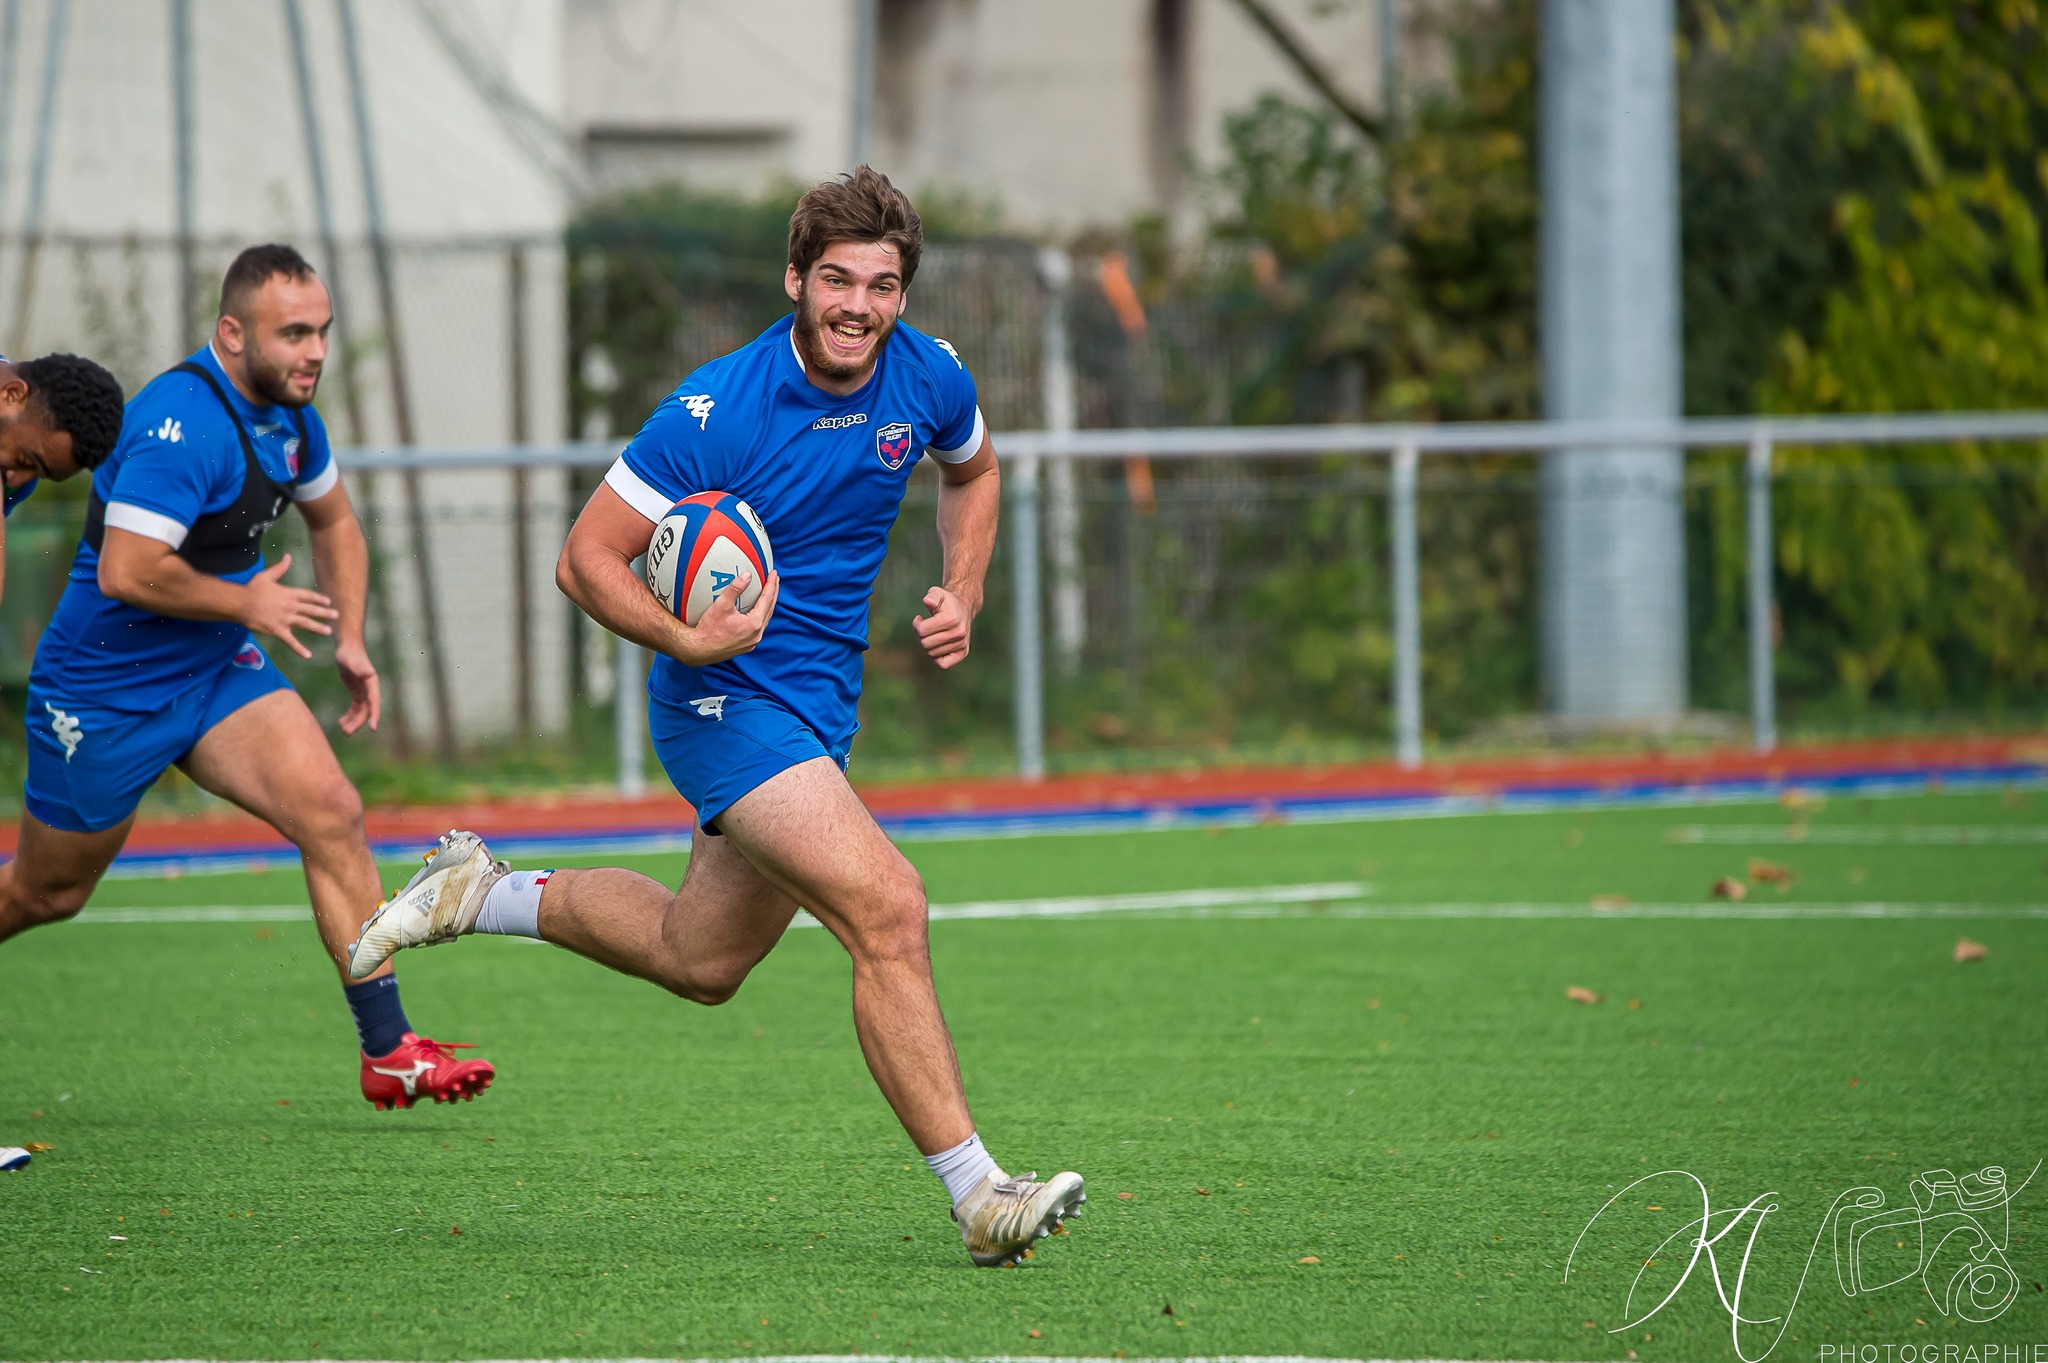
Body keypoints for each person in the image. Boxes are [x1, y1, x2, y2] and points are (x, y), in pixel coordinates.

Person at [349, 169, 1083, 1264]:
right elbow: (584, 558)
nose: (858, 305)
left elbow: (973, 473)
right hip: (720, 700)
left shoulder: (928, 374)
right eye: (836, 279)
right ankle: (978, 1192)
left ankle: (480, 891)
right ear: (795, 279)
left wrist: (964, 589)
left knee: (700, 959)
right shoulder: (718, 408)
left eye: (882, 285)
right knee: (888, 907)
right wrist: (684, 638)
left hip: (818, 708)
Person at [0, 245, 495, 1111]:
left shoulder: (293, 420)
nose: (314, 351)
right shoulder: (181, 424)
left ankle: (390, 1049)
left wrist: (351, 637)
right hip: (104, 690)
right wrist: (248, 602)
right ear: (232, 333)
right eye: (293, 333)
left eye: (322, 332)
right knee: (49, 892)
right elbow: (126, 570)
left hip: (212, 668)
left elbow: (334, 523)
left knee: (332, 811)